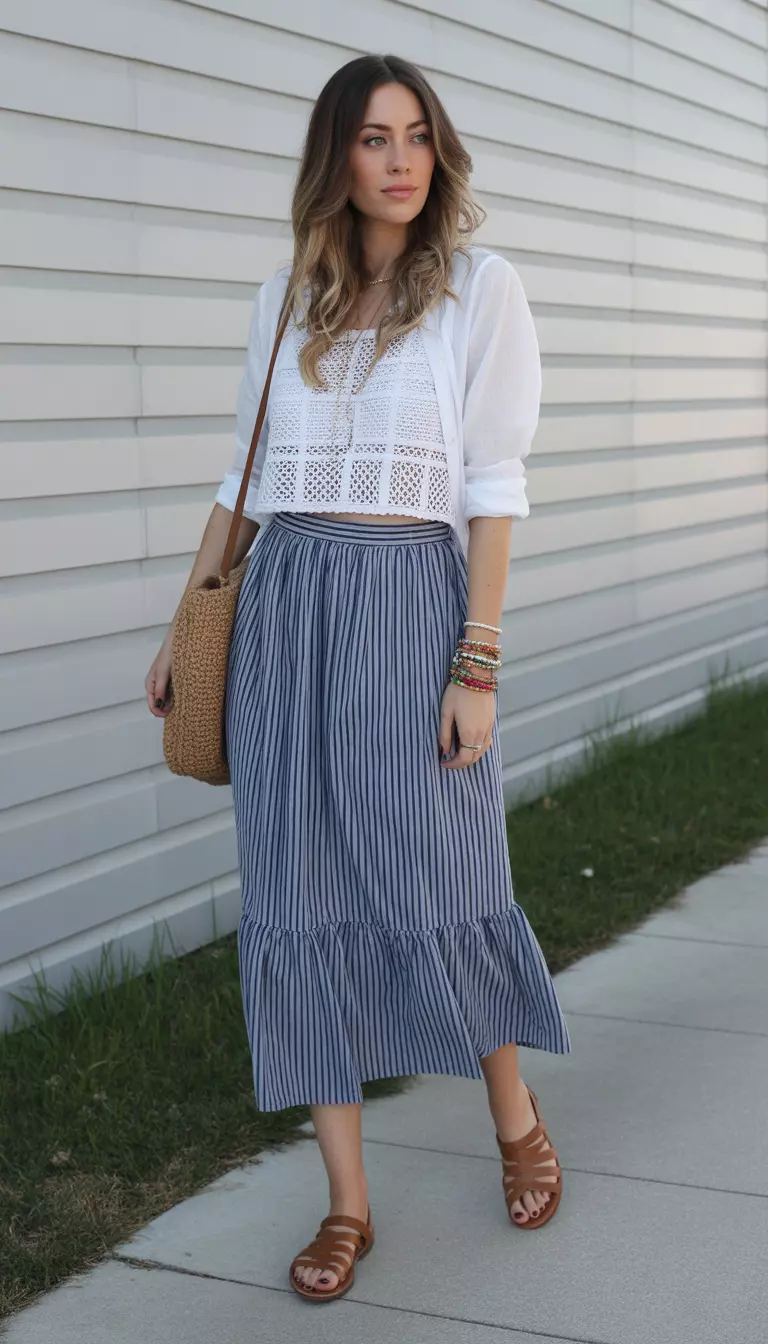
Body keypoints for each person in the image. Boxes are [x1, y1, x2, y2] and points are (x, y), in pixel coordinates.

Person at [145, 52, 571, 1304]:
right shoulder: (288, 297)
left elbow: (493, 491)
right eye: (374, 138)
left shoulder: (480, 292)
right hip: (283, 610)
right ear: (336, 157)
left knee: (440, 871)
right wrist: (189, 622)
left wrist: (475, 664)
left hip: (410, 605)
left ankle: (515, 1117)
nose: (398, 159)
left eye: (417, 137)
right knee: (298, 889)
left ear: (438, 157)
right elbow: (242, 471)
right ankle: (347, 1204)